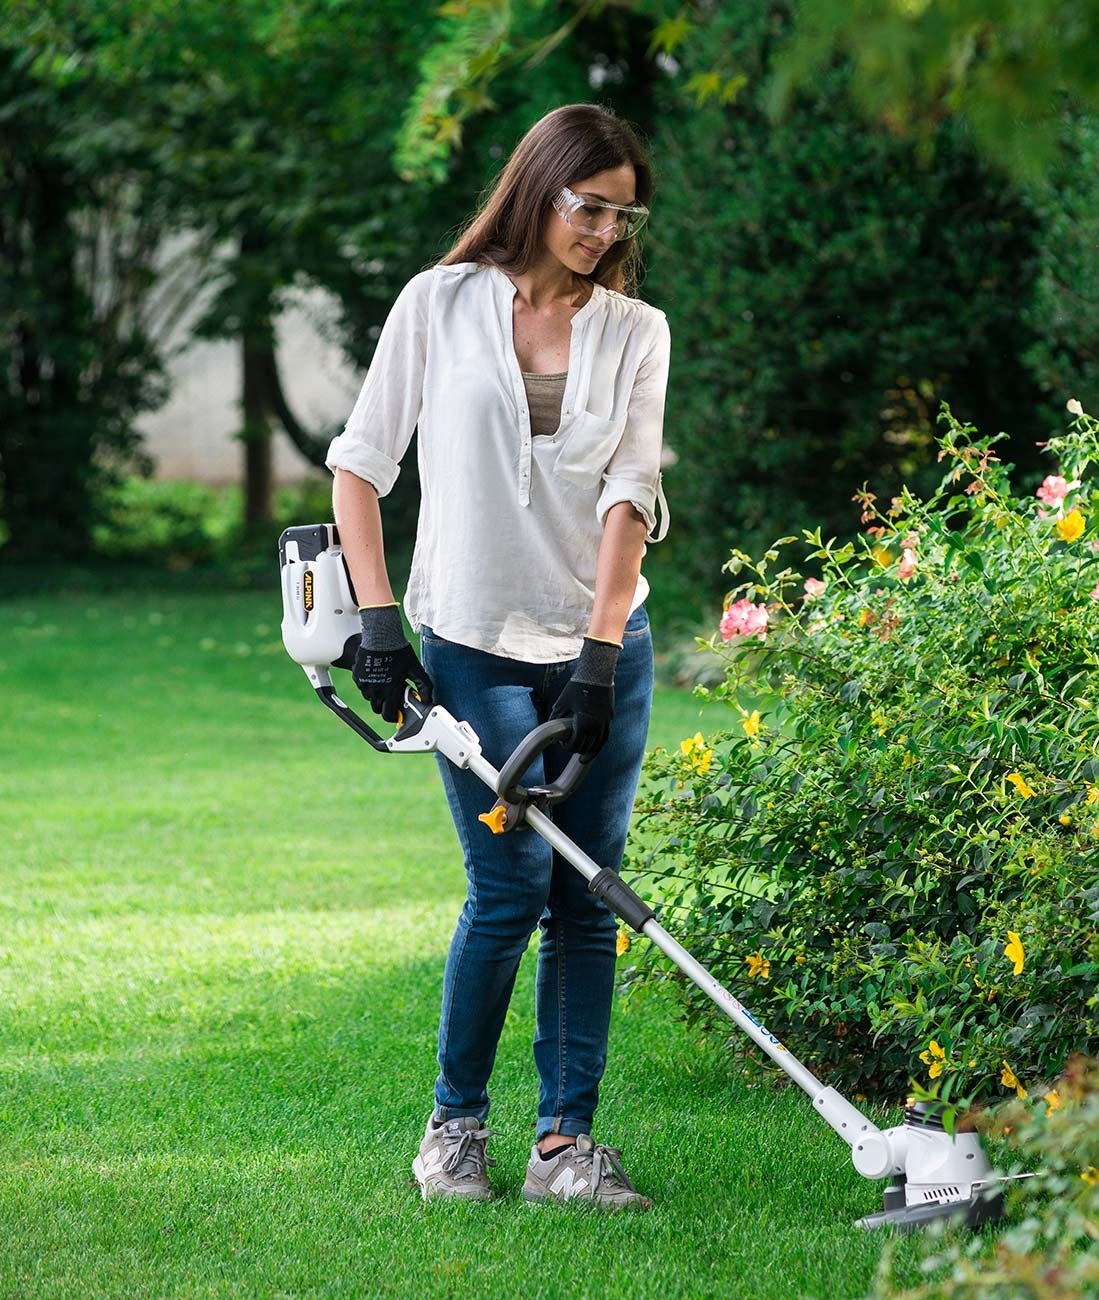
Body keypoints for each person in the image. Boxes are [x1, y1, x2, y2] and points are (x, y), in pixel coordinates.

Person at [325, 102, 670, 1210]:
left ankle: (564, 1146)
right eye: (588, 206)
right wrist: (377, 620)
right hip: (471, 643)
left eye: (623, 215)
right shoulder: (440, 302)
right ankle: (455, 1129)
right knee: (508, 882)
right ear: (539, 188)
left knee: (587, 888)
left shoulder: (637, 331)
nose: (605, 232)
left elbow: (631, 492)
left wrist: (602, 650)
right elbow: (360, 465)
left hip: (599, 647)